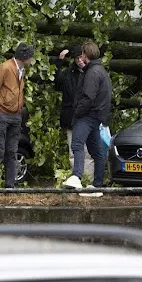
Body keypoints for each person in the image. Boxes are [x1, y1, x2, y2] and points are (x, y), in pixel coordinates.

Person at [0, 42, 34, 188]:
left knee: (12, 151)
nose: (31, 60)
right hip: (3, 115)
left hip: (15, 115)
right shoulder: (5, 68)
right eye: (30, 57)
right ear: (25, 57)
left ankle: (10, 185)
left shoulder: (21, 69)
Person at [63, 41, 111, 190]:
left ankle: (76, 176)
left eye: (82, 54)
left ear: (86, 55)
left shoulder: (92, 72)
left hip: (87, 116)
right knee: (97, 151)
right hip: (97, 117)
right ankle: (97, 183)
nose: (80, 57)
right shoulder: (101, 70)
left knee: (77, 144)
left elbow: (88, 97)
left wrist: (77, 112)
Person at [55, 45, 94, 181]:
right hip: (71, 116)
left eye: (81, 57)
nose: (79, 61)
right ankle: (76, 178)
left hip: (87, 117)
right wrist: (60, 61)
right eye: (77, 58)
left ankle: (88, 178)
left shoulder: (92, 72)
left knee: (88, 151)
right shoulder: (68, 73)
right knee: (73, 150)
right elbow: (57, 84)